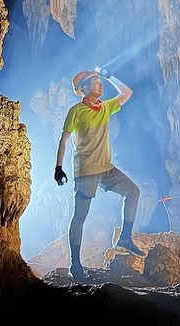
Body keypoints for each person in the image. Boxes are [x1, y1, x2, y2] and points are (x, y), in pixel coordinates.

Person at [54, 66, 145, 280]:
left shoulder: (105, 107)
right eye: (95, 81)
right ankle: (75, 265)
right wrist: (58, 168)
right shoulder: (76, 111)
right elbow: (64, 139)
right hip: (86, 171)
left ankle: (124, 238)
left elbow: (127, 93)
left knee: (133, 192)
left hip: (106, 168)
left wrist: (108, 75)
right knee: (80, 217)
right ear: (83, 88)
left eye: (99, 81)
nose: (100, 84)